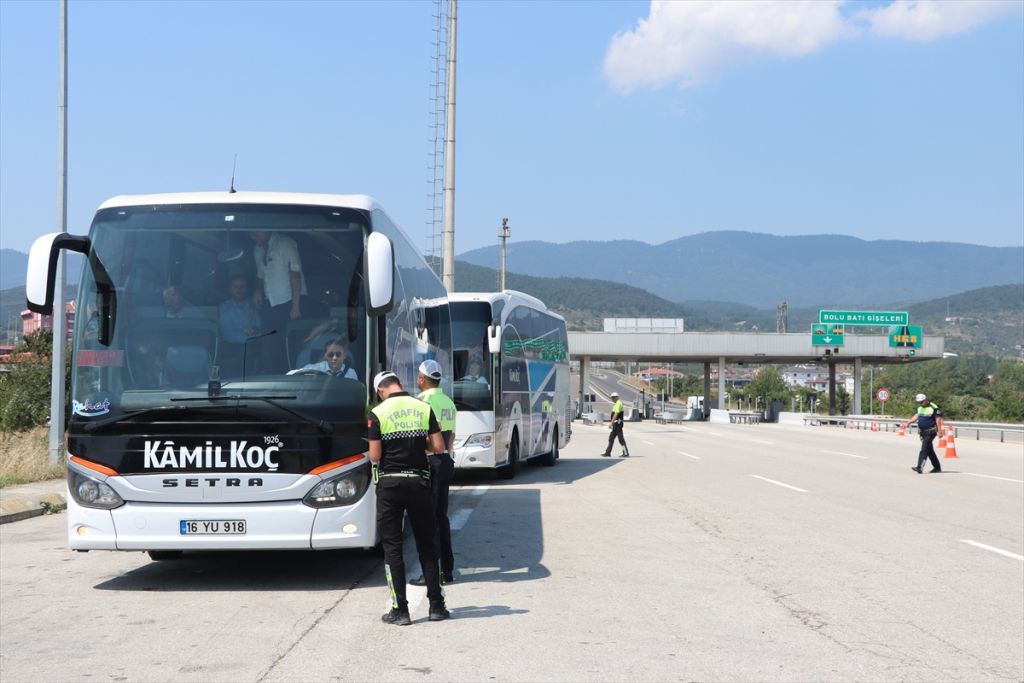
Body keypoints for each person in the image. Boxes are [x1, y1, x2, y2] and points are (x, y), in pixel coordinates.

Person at [368, 370, 450, 625]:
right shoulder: (423, 407)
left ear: (381, 390)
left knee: (393, 548)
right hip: (419, 483)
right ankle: (437, 606)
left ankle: (400, 610)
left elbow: (374, 456)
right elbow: (439, 447)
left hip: (390, 485)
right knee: (427, 545)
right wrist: (417, 445)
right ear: (399, 384)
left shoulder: (377, 413)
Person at [410, 360, 458, 587]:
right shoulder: (448, 401)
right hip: (446, 460)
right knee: (441, 517)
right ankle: (447, 570)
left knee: (429, 521)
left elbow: (427, 439)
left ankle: (434, 573)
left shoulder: (421, 402)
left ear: (422, 379)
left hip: (430, 462)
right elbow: (451, 436)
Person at [250, 230, 307, 370]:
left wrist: (296, 306)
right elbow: (260, 274)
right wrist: (258, 290)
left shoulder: (284, 243)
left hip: (290, 302)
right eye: (251, 233)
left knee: (291, 345)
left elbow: (295, 275)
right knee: (270, 346)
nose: (254, 235)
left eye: (257, 232)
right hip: (270, 304)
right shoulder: (257, 250)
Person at [217, 276, 264, 377]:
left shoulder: (253, 305)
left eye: (242, 287)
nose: (239, 290)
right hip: (232, 346)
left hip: (253, 344)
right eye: (236, 287)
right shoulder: (224, 308)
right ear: (230, 289)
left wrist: (255, 331)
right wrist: (250, 337)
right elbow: (228, 335)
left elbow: (259, 326)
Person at [906, 393, 943, 474]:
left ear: (926, 400)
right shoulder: (920, 408)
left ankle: (919, 467)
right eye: (919, 402)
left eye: (921, 402)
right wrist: (909, 422)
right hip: (922, 432)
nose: (920, 403)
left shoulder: (934, 407)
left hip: (931, 431)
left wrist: (940, 431)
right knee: (929, 450)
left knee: (924, 449)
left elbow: (938, 420)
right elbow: (916, 416)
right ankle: (937, 467)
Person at [287, 336, 357, 379]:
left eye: (338, 354)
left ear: (344, 355)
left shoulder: (351, 374)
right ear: (325, 355)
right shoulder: (315, 368)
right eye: (331, 354)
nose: (334, 358)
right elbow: (292, 374)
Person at [602, 390, 629, 458]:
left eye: (614, 397)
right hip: (616, 423)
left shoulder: (618, 403)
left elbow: (616, 414)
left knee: (621, 439)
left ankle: (625, 453)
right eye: (612, 397)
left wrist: (611, 423)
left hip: (618, 423)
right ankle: (608, 452)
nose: (612, 399)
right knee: (611, 438)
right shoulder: (616, 404)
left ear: (617, 397)